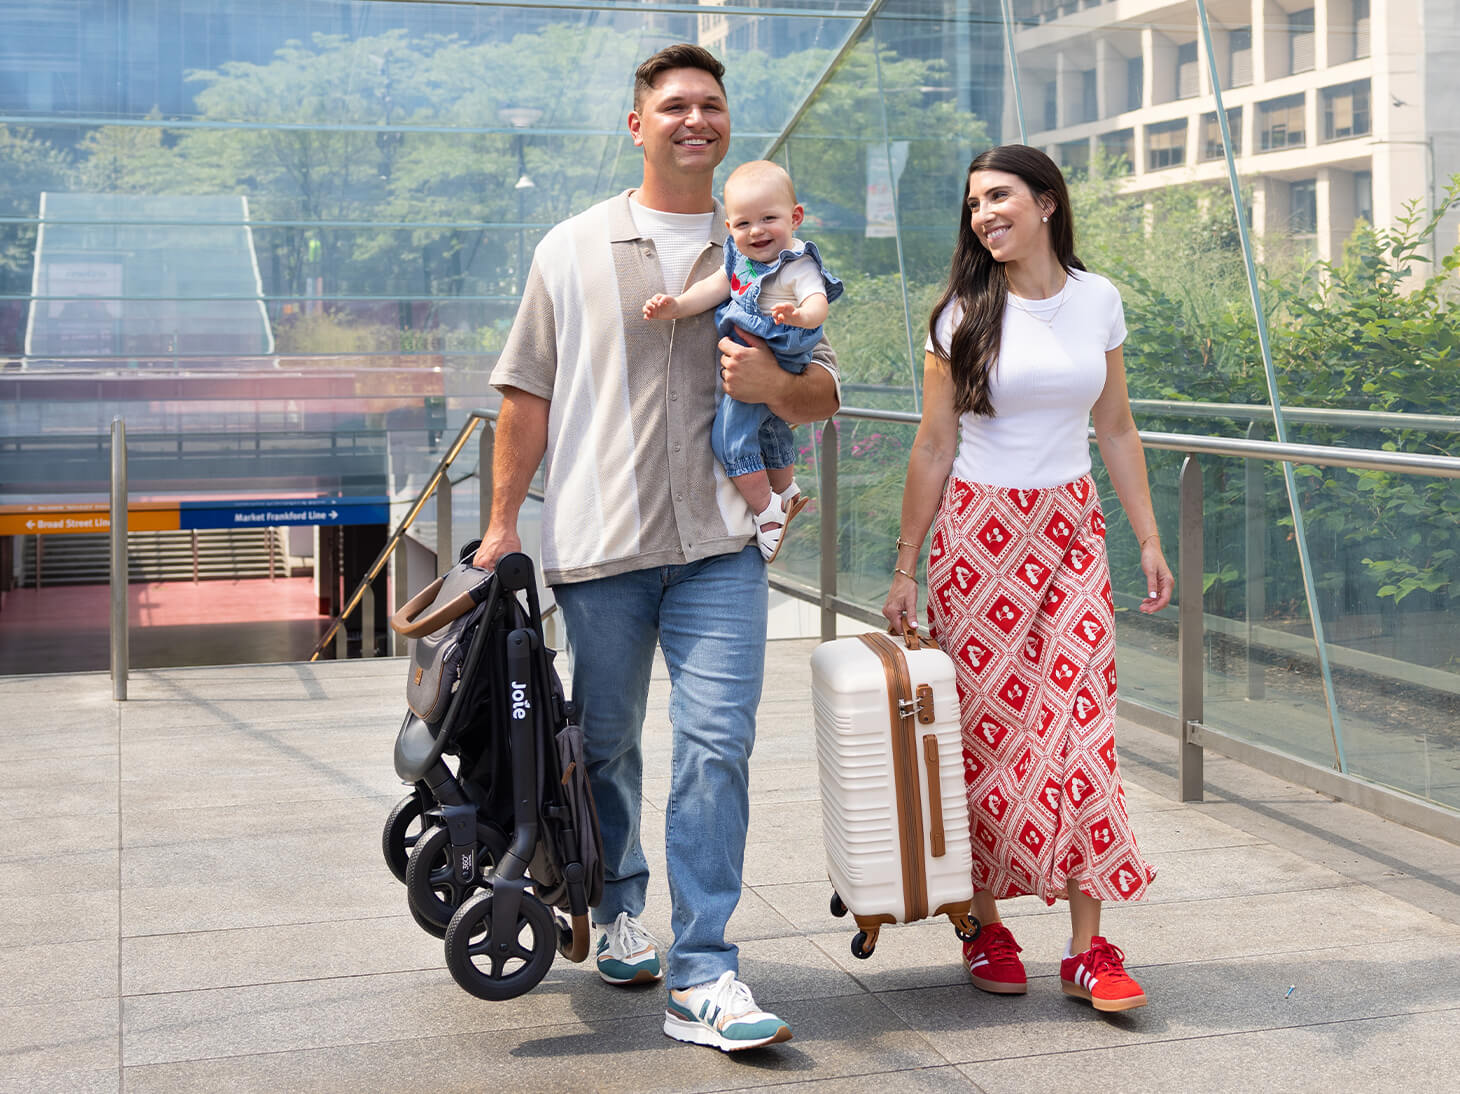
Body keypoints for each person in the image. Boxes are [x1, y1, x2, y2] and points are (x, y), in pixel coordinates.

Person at [472, 44, 840, 1052]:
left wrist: (775, 389)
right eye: (673, 105)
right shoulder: (571, 247)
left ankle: (706, 966)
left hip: (724, 545)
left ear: (727, 124)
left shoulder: (769, 250)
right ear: (637, 125)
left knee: (717, 743)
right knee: (604, 741)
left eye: (710, 105)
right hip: (602, 542)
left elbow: (826, 391)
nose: (694, 119)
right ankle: (622, 898)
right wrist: (502, 525)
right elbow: (525, 395)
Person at [880, 144, 1172, 1014]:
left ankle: (1088, 950)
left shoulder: (1099, 300)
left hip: (1073, 531)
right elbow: (933, 446)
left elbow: (1115, 428)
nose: (983, 215)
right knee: (989, 736)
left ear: (1047, 201)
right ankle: (986, 924)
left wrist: (1149, 538)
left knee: (1082, 730)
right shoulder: (962, 314)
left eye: (999, 196)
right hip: (980, 537)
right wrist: (906, 569)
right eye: (973, 204)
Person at [643, 158, 843, 561]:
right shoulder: (739, 259)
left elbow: (817, 302)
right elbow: (716, 288)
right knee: (769, 429)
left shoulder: (796, 264)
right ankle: (786, 491)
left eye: (769, 218)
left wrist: (800, 315)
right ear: (729, 227)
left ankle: (766, 511)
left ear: (795, 217)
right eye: (743, 223)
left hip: (780, 351)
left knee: (730, 439)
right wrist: (677, 305)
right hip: (754, 349)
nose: (757, 231)